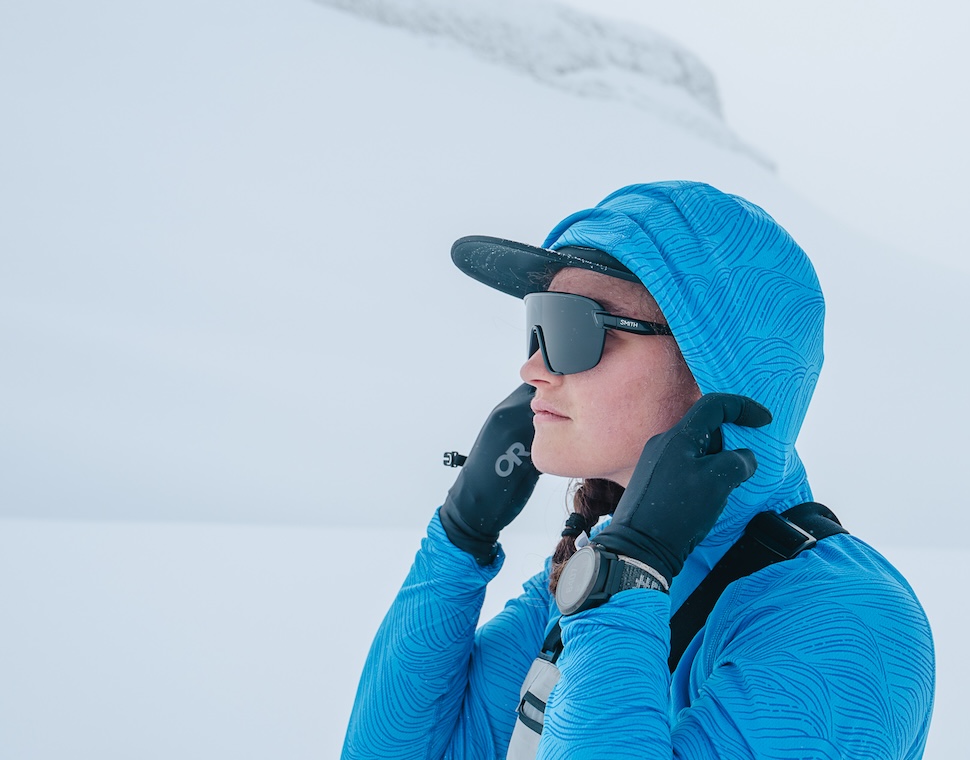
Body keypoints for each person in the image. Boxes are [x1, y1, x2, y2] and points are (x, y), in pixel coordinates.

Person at [341, 181, 935, 759]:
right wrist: (459, 538)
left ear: (714, 368)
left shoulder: (847, 629)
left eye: (576, 330)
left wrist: (624, 581)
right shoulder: (589, 577)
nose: (532, 370)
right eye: (538, 326)